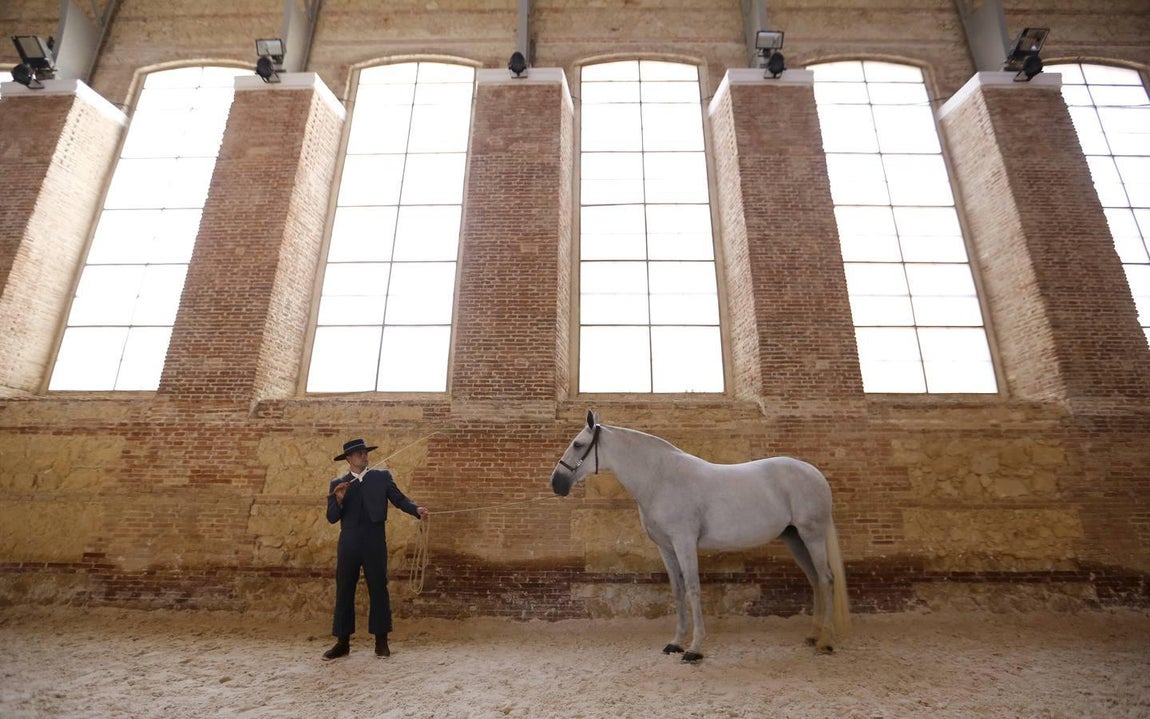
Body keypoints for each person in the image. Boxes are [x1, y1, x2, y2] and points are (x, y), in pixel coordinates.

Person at [323, 438, 429, 661]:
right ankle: (342, 643)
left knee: (379, 590)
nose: (364, 456)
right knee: (344, 590)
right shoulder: (338, 484)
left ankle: (381, 642)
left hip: (374, 541)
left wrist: (416, 509)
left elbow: (399, 499)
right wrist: (339, 500)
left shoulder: (381, 477)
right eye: (359, 454)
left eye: (364, 452)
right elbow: (332, 518)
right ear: (349, 459)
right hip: (349, 542)